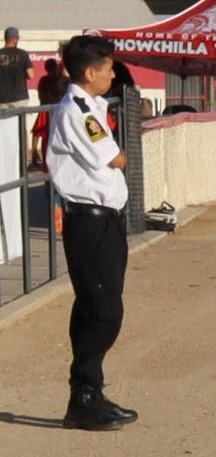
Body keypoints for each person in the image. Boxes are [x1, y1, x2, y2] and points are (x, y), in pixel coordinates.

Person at [45, 35, 137, 430]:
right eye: (107, 68)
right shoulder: (78, 111)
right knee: (103, 310)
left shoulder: (92, 106)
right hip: (89, 219)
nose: (112, 73)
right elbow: (114, 156)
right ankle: (82, 394)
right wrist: (121, 157)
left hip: (104, 219)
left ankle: (90, 391)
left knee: (97, 305)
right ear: (88, 72)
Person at [0, 25, 28, 104]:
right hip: (20, 98)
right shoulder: (23, 54)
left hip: (2, 98)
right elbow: (31, 75)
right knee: (20, 116)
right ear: (15, 39)